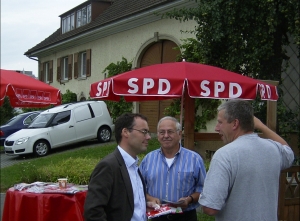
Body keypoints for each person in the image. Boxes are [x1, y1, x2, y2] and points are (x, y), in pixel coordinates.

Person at [199, 99, 295, 221]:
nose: (217, 128)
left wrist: (201, 196)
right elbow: (289, 153)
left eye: (220, 122)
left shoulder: (224, 155)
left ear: (235, 124)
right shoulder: (273, 148)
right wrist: (261, 126)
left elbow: (210, 208)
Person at [84, 113, 151, 221]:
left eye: (148, 132)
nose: (148, 137)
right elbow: (93, 212)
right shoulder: (108, 166)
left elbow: (124, 204)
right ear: (125, 132)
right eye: (144, 132)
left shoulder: (134, 165)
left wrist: (143, 206)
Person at [139, 116, 207, 221]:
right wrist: (150, 198)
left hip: (185, 216)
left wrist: (189, 199)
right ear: (157, 135)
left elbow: (204, 189)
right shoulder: (148, 160)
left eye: (170, 132)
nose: (166, 136)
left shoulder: (194, 159)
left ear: (179, 134)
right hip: (157, 216)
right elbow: (139, 188)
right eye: (162, 132)